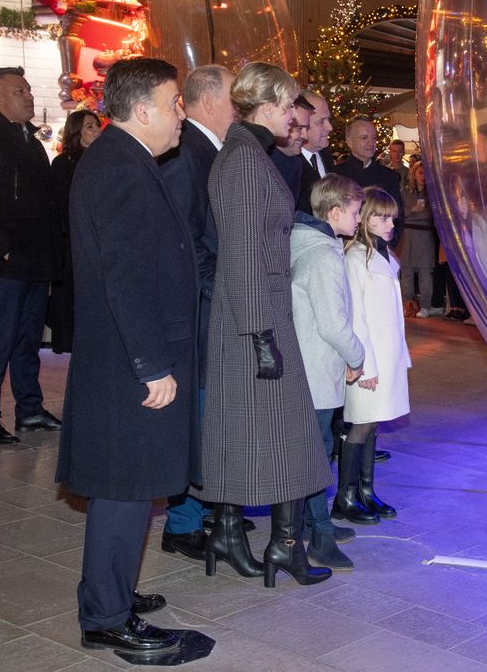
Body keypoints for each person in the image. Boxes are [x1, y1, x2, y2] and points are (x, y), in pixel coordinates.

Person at [56, 57, 195, 654]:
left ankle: (111, 589)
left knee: (130, 487)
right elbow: (127, 277)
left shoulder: (124, 160)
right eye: (173, 104)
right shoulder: (120, 169)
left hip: (123, 358)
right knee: (124, 488)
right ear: (142, 111)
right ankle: (107, 616)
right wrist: (152, 365)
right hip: (127, 365)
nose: (180, 115)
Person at [200, 61, 332, 588]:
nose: (292, 119)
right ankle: (281, 546)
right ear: (270, 105)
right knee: (289, 434)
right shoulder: (246, 160)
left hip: (254, 314)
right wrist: (261, 336)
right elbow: (243, 254)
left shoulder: (246, 154)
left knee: (251, 430)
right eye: (287, 108)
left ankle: (236, 534)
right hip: (255, 317)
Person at [157, 64, 238, 564]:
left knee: (209, 417)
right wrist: (219, 291)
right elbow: (188, 241)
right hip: (202, 309)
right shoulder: (190, 154)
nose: (241, 105)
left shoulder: (209, 149)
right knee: (198, 415)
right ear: (209, 101)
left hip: (211, 304)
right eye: (234, 97)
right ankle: (183, 522)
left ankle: (202, 508)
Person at [0, 66, 62, 445]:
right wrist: (1, 244)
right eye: (21, 91)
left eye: (29, 89)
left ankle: (29, 408)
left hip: (36, 259)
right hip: (6, 261)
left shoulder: (31, 141)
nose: (30, 96)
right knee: (0, 338)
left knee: (29, 338)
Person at [290, 174, 367, 570]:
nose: (359, 219)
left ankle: (313, 522)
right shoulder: (322, 254)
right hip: (315, 370)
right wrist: (357, 356)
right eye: (355, 212)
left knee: (315, 451)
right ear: (334, 212)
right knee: (317, 456)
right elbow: (333, 324)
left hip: (312, 367)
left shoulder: (316, 244)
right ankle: (318, 537)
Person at [336, 186, 411, 525]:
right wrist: (363, 366)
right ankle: (345, 496)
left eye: (392, 217)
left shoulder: (385, 255)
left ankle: (366, 490)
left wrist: (402, 356)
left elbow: (394, 313)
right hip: (369, 359)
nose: (390, 223)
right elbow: (357, 318)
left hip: (388, 354)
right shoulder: (354, 258)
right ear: (365, 219)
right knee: (360, 427)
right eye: (382, 217)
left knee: (373, 425)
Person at [48, 110, 101, 354]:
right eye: (89, 126)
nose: (96, 130)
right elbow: (59, 207)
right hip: (72, 247)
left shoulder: (104, 161)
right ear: (76, 131)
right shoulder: (63, 164)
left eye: (97, 125)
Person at [334, 115, 404, 245]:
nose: (371, 143)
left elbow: (398, 218)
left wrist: (386, 247)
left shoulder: (388, 176)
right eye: (364, 137)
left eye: (374, 138)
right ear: (349, 141)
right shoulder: (336, 175)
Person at [399, 161, 439, 317]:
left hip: (425, 235)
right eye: (420, 173)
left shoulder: (433, 194)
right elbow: (400, 213)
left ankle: (425, 307)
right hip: (408, 234)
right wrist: (412, 210)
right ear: (414, 174)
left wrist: (414, 214)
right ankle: (407, 304)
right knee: (406, 271)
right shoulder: (406, 192)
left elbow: (431, 215)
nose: (423, 177)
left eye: (426, 173)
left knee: (425, 272)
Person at [269, 93, 314, 199]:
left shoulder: (296, 160)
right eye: (299, 129)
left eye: (306, 128)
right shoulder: (265, 161)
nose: (305, 136)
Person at [297, 90, 334, 216]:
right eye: (321, 121)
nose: (330, 127)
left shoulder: (326, 155)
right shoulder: (288, 162)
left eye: (328, 119)